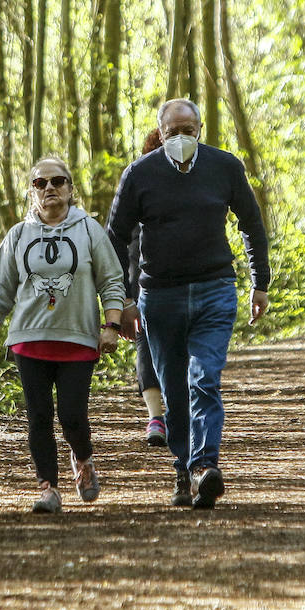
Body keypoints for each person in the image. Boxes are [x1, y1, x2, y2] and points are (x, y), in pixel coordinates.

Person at [106, 98, 271, 509]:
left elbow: (251, 222)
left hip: (215, 288)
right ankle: (183, 466)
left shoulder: (225, 166)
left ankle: (204, 467)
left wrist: (260, 281)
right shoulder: (139, 175)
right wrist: (123, 301)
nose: (181, 137)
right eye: (172, 131)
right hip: (160, 297)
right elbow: (113, 238)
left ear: (200, 129)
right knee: (175, 389)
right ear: (160, 134)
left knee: (205, 378)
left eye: (188, 130)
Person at [0, 156, 126, 513]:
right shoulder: (18, 235)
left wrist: (111, 325)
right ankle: (48, 487)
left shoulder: (89, 229)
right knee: (39, 416)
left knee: (73, 415)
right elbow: (0, 290)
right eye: (40, 184)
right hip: (29, 339)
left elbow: (111, 280)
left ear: (70, 189)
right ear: (32, 192)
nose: (49, 189)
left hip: (78, 338)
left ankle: (83, 458)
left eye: (58, 182)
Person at [132, 128, 167, 445]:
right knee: (145, 348)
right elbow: (115, 237)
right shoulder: (135, 183)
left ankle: (170, 412)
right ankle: (156, 417)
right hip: (141, 285)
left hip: (182, 284)